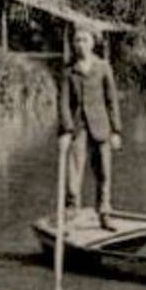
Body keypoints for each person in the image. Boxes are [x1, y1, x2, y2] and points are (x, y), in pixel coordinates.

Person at [57, 25, 122, 229]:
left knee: (103, 171)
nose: (81, 44)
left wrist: (116, 130)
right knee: (74, 170)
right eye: (77, 40)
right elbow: (64, 103)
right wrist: (66, 130)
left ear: (92, 43)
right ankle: (71, 209)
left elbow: (112, 100)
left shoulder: (103, 67)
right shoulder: (69, 71)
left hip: (101, 127)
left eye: (84, 40)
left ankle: (104, 212)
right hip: (78, 128)